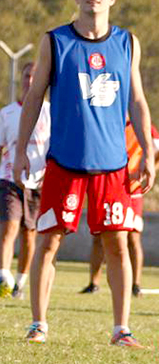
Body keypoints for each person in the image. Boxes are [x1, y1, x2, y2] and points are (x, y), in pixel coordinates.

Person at [13, 0, 155, 347]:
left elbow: (137, 101)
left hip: (113, 165)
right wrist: (22, 149)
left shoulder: (128, 43)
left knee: (117, 245)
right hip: (65, 161)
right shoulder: (55, 41)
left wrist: (149, 153)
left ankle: (121, 329)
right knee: (49, 242)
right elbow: (32, 100)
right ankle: (38, 324)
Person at [0, 62, 50, 299]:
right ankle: (3, 277)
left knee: (30, 234)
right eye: (26, 76)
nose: (30, 80)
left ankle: (19, 285)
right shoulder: (7, 113)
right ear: (21, 80)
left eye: (35, 76)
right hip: (9, 179)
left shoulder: (50, 112)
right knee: (9, 227)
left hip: (39, 183)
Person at [80, 121, 159, 297]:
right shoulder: (107, 122)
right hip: (108, 186)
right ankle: (93, 283)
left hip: (133, 190)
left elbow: (157, 149)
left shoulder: (143, 125)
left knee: (133, 238)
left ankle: (136, 284)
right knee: (99, 236)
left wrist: (148, 169)